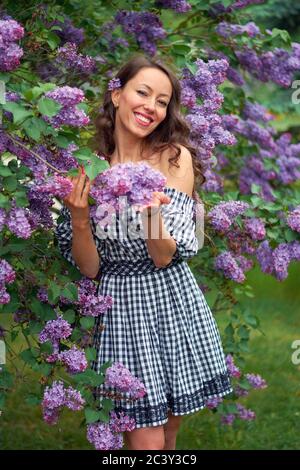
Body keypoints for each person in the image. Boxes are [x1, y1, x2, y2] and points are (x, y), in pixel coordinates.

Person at [55, 54, 233, 451]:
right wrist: (80, 218)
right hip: (122, 309)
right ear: (117, 95)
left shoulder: (173, 159)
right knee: (144, 438)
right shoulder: (90, 166)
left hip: (170, 300)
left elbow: (164, 256)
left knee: (168, 432)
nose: (151, 107)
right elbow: (89, 268)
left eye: (162, 100)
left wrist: (154, 217)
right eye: (143, 92)